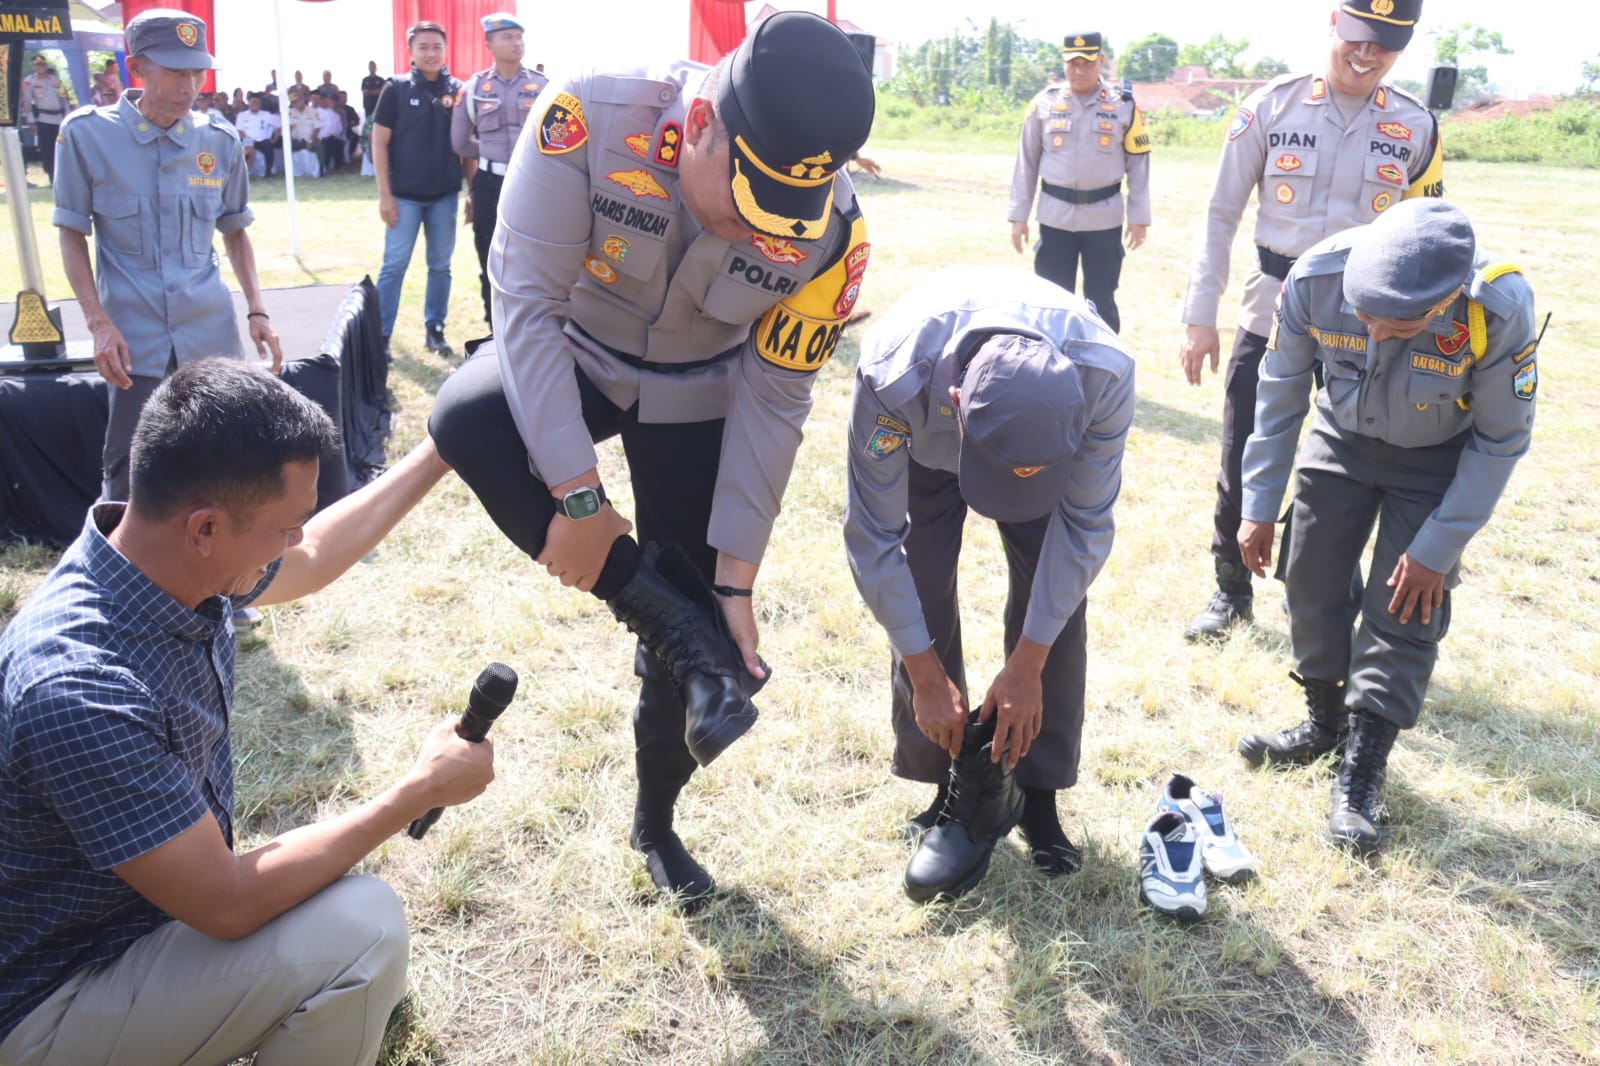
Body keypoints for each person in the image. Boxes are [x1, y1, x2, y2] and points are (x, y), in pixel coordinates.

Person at [428, 11, 874, 908]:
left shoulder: (834, 238)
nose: (759, 238)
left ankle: (657, 819)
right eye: (745, 206)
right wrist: (581, 500)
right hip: (579, 353)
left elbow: (776, 395)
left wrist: (736, 583)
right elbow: (523, 307)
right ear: (701, 124)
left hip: (698, 388)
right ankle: (658, 612)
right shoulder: (590, 115)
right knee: (466, 417)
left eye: (780, 222)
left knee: (703, 606)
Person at [0, 359, 494, 1066]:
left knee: (341, 942)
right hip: (48, 1005)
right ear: (205, 528)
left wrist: (443, 449)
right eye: (283, 526)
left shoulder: (159, 563)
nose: (294, 541)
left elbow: (318, 554)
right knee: (363, 933)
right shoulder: (80, 688)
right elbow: (227, 903)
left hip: (128, 931)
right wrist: (417, 792)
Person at [1233, 199, 1537, 853]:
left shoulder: (1498, 307)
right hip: (1339, 439)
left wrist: (1439, 546)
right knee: (1309, 578)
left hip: (1435, 461)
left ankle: (1361, 774)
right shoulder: (1316, 277)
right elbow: (1282, 386)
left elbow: (1501, 440)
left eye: (1395, 322)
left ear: (1447, 299)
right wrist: (1258, 504)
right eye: (1364, 311)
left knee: (1405, 604)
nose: (1371, 330)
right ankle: (1324, 724)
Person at [842, 267, 1134, 901]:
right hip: (925, 447)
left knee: (1052, 603)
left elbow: (1083, 530)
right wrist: (924, 674)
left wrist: (1027, 664)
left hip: (1038, 441)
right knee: (917, 583)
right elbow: (873, 538)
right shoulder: (894, 375)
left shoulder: (1103, 376)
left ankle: (1035, 793)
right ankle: (947, 784)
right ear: (954, 402)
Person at [1177, 0, 1444, 643]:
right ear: (1333, 23)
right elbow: (1221, 215)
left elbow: (1426, 236)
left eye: (1385, 44)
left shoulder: (1416, 126)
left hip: (1366, 323)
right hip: (1271, 305)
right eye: (1357, 37)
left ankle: (1317, 585)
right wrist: (1199, 316)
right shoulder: (1271, 107)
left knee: (1348, 459)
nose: (1367, 54)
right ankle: (1229, 589)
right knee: (1246, 446)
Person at [53, 8, 282, 503]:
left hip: (210, 328)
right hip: (132, 336)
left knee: (223, 459)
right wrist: (98, 323)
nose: (191, 85)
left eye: (198, 71)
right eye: (177, 71)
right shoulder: (86, 136)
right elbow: (71, 233)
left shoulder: (218, 141)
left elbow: (236, 232)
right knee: (132, 468)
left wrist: (258, 311)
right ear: (137, 67)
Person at [1006, 32, 1150, 335]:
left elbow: (1139, 166)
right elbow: (1026, 163)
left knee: (1101, 300)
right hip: (1055, 217)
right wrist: (1019, 216)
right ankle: (1048, 366)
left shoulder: (1123, 105)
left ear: (1100, 62)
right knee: (1051, 300)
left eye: (1087, 63)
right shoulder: (1044, 104)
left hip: (1104, 220)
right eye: (1073, 63)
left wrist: (1139, 218)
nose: (1079, 70)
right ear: (1064, 63)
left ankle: (1105, 366)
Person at [372, 21, 464, 358]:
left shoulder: (458, 90)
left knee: (440, 265)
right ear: (411, 51)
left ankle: (435, 329)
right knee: (394, 265)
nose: (430, 53)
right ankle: (380, 337)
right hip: (404, 197)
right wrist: (385, 194)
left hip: (444, 196)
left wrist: (472, 192)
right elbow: (379, 143)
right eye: (423, 47)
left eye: (436, 47)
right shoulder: (395, 89)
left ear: (445, 50)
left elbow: (465, 147)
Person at [451, 12, 547, 327]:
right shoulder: (475, 87)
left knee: (537, 256)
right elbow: (460, 143)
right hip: (489, 183)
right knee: (490, 254)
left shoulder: (544, 85)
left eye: (519, 36)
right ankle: (495, 329)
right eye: (507, 37)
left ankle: (536, 325)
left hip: (532, 182)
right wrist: (491, 154)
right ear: (489, 43)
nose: (516, 42)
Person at [21, 55, 75, 184]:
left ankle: (65, 175)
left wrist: (67, 117)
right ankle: (52, 175)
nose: (41, 67)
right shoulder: (29, 81)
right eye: (38, 65)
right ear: (34, 67)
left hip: (59, 119)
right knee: (47, 148)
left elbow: (64, 100)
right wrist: (31, 121)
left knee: (62, 146)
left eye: (43, 65)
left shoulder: (55, 80)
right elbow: (27, 102)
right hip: (43, 120)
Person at [235, 91, 281, 176]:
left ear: (260, 104)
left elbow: (279, 125)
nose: (255, 104)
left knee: (268, 145)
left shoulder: (266, 115)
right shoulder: (242, 115)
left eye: (257, 102)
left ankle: (268, 171)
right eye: (253, 102)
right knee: (247, 147)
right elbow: (239, 131)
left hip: (262, 140)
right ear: (249, 103)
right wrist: (247, 138)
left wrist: (275, 138)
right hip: (247, 140)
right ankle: (245, 173)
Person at [286, 88, 322, 177]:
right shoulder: (290, 113)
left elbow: (317, 129)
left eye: (297, 101)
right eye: (293, 102)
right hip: (296, 140)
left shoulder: (313, 112)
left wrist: (310, 141)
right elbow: (289, 128)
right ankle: (288, 171)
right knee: (287, 147)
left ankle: (321, 169)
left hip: (310, 139)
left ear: (302, 100)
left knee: (320, 146)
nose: (295, 104)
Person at [316, 90, 346, 172]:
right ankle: (325, 167)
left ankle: (338, 167)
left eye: (328, 100)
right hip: (321, 136)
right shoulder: (316, 112)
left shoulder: (333, 113)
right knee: (329, 143)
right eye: (325, 100)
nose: (327, 102)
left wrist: (337, 134)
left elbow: (338, 126)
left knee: (339, 143)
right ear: (321, 101)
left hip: (333, 136)